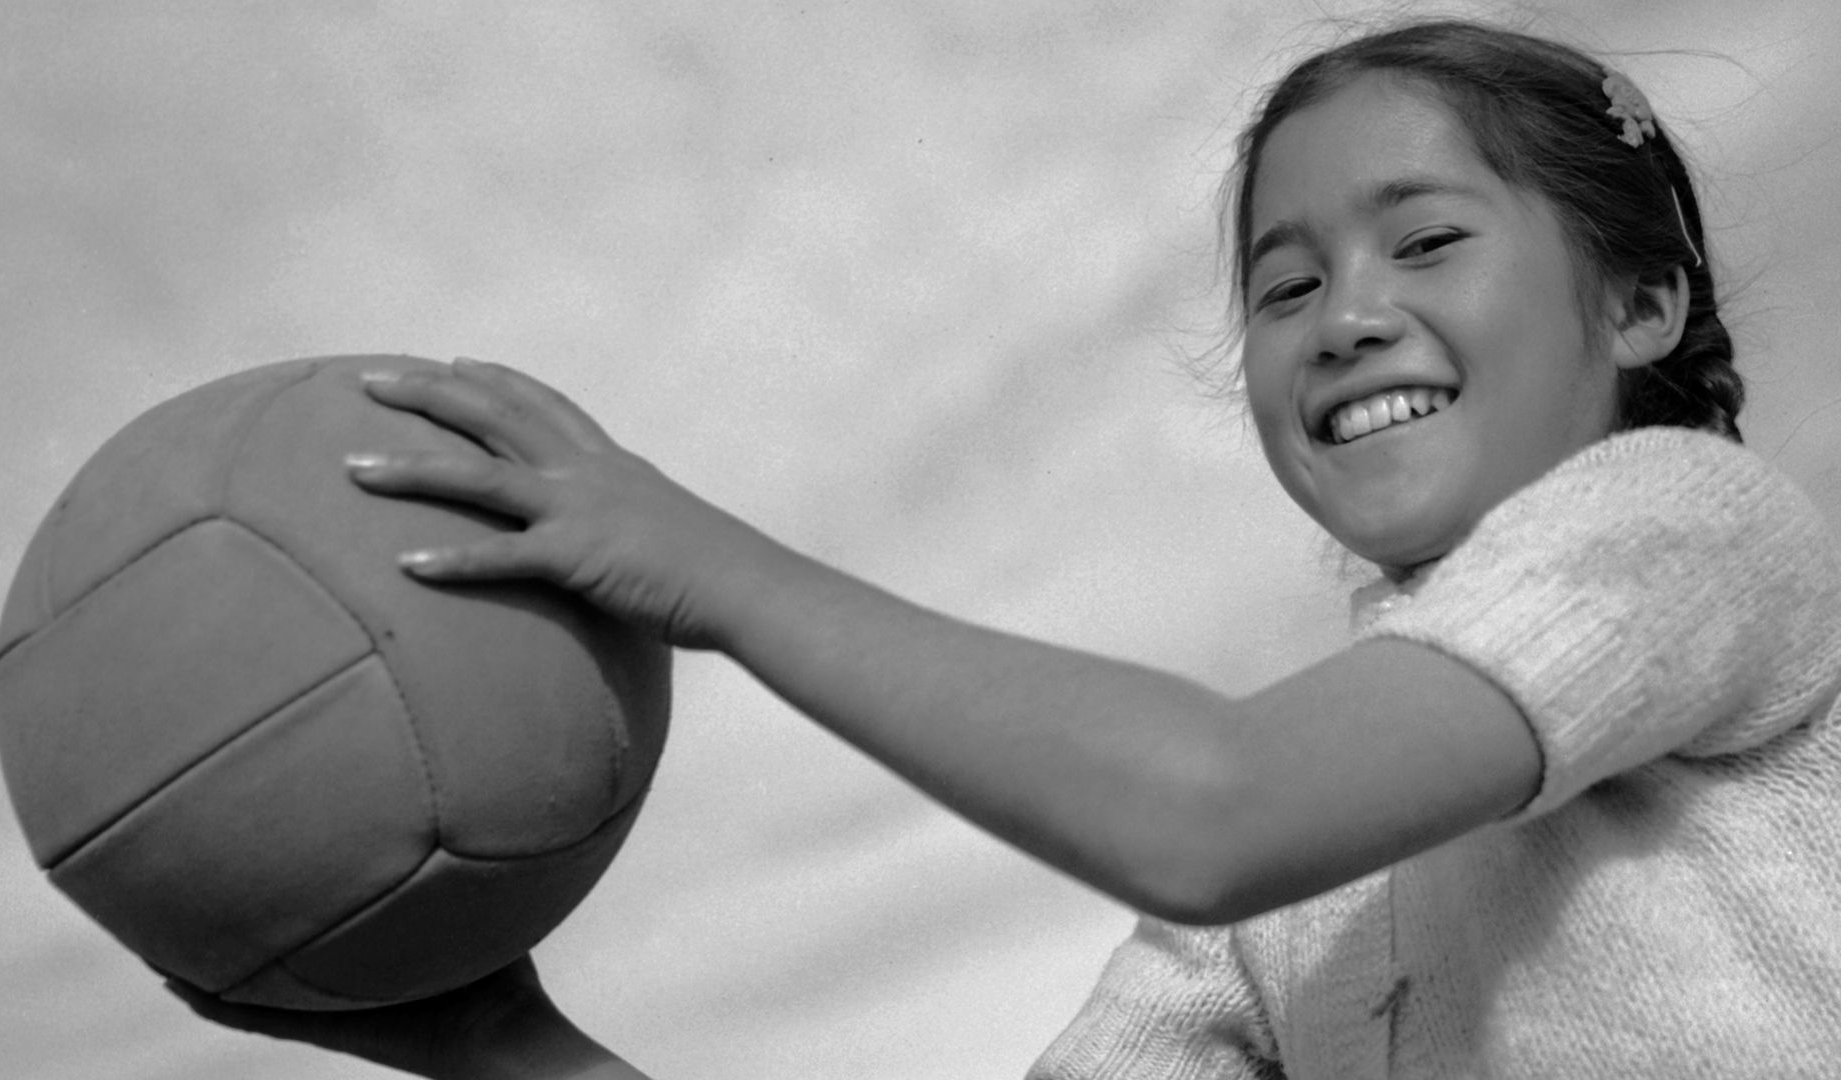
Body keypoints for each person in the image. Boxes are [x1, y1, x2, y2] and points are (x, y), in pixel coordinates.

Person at [170, 17, 1841, 1078]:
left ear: (1641, 302)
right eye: (1284, 283)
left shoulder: (1691, 528)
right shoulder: (1291, 917)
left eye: (1425, 239)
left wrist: (713, 567)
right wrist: (501, 1045)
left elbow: (1215, 808)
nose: (1348, 317)